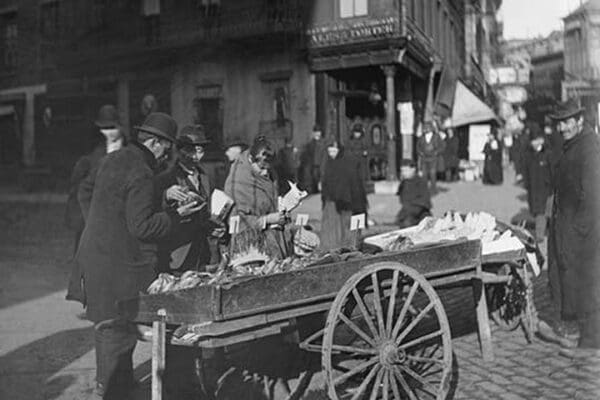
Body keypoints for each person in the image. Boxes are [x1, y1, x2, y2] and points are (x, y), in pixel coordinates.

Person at [73, 112, 202, 399]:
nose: (167, 154)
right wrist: (174, 215)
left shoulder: (116, 158)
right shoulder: (143, 171)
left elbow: (93, 191)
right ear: (155, 143)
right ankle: (112, 390)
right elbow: (142, 226)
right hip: (116, 264)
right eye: (167, 147)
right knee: (117, 329)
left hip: (95, 256)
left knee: (108, 325)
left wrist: (163, 193)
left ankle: (114, 384)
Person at [546, 101, 600, 354]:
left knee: (587, 280)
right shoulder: (572, 146)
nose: (562, 127)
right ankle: (576, 331)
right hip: (568, 226)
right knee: (571, 278)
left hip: (582, 230)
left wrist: (578, 231)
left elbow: (593, 197)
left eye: (567, 121)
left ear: (579, 120)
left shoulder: (588, 149)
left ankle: (591, 342)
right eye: (559, 122)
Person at [65, 105, 125, 305]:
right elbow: (78, 190)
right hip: (93, 216)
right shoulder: (91, 156)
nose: (108, 132)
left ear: (120, 126)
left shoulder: (129, 151)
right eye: (104, 128)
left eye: (112, 127)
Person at [155, 124, 215, 272]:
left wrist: (213, 226)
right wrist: (166, 196)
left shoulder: (204, 177)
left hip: (201, 252)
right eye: (191, 151)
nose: (196, 156)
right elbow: (155, 210)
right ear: (180, 150)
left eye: (200, 151)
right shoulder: (166, 178)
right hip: (177, 253)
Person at [224, 135, 289, 259]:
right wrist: (266, 220)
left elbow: (272, 201)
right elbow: (235, 222)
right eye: (261, 168)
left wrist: (282, 212)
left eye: (268, 169)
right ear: (250, 159)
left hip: (273, 241)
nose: (265, 173)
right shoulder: (238, 180)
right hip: (249, 247)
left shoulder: (269, 172)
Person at [320, 138, 367, 251]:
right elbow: (326, 182)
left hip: (348, 202)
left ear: (339, 150)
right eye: (329, 151)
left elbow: (355, 185)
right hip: (332, 202)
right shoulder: (329, 163)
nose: (332, 154)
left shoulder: (348, 163)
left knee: (348, 228)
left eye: (334, 151)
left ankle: (349, 248)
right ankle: (332, 250)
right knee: (333, 230)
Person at [522, 127, 551, 242]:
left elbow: (552, 171)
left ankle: (540, 235)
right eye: (532, 141)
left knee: (542, 212)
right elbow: (525, 171)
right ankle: (541, 231)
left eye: (536, 140)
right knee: (536, 211)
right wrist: (526, 184)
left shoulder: (547, 154)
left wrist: (551, 185)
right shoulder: (528, 155)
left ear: (541, 140)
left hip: (545, 188)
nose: (533, 143)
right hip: (533, 187)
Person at [395, 159, 431, 228]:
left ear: (413, 169)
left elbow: (424, 201)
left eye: (405, 170)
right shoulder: (404, 183)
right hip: (407, 212)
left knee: (407, 223)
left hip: (419, 214)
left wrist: (410, 212)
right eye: (402, 171)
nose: (403, 173)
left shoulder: (421, 182)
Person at [416, 122, 443, 192]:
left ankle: (433, 188)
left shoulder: (436, 136)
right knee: (424, 174)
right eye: (425, 127)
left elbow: (441, 146)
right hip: (424, 157)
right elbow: (418, 147)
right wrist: (420, 152)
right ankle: (424, 188)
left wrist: (436, 152)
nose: (425, 129)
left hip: (433, 158)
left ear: (431, 128)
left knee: (432, 173)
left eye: (427, 127)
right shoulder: (421, 137)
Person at [300, 125, 325, 193]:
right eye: (315, 132)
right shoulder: (309, 144)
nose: (317, 133)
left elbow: (325, 156)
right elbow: (307, 157)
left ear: (320, 133)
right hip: (312, 167)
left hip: (321, 166)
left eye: (318, 132)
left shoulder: (324, 143)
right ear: (313, 133)